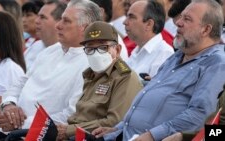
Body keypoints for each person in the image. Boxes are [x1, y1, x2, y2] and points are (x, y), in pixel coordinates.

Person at [92, 0, 225, 140]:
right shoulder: (177, 56)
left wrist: (153, 135)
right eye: (181, 17)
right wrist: (119, 128)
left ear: (206, 30)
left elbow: (200, 114)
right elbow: (151, 96)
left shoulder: (216, 63)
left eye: (187, 19)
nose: (178, 23)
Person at [0, 0, 102, 140]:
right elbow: (18, 85)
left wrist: (19, 122)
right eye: (60, 19)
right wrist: (9, 105)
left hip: (41, 133)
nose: (58, 25)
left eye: (66, 21)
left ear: (85, 28)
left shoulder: (91, 64)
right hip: (15, 127)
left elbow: (71, 115)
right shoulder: (49, 51)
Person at [56, 21, 142, 140]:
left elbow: (115, 122)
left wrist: (69, 130)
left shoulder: (124, 77)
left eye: (103, 47)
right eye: (90, 49)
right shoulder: (90, 75)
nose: (96, 54)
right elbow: (81, 114)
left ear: (117, 50)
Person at [124, 0, 174, 82]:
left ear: (149, 24)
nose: (125, 22)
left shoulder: (164, 53)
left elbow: (154, 92)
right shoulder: (137, 50)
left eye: (131, 17)